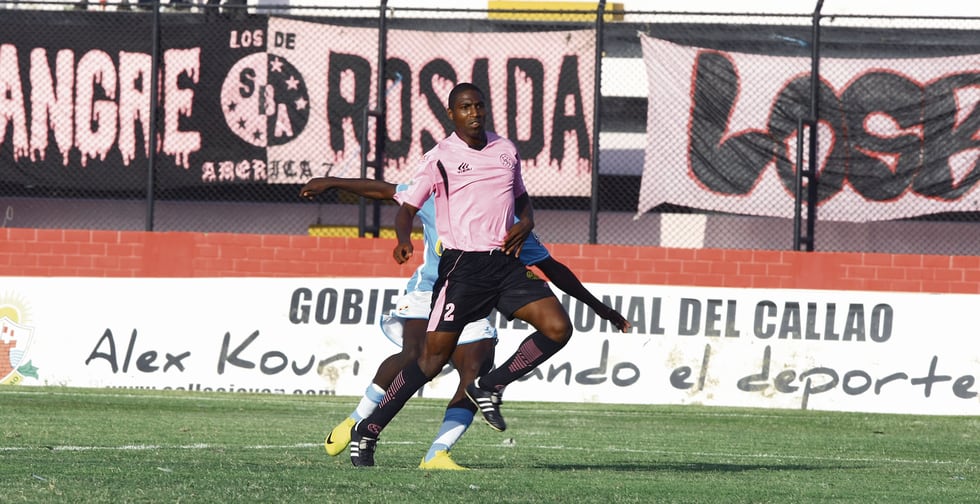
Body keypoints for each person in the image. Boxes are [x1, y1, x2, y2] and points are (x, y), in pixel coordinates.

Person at [347, 82, 615, 467]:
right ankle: (367, 430)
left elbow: (521, 197)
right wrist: (402, 239)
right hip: (463, 268)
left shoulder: (506, 150)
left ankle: (490, 384)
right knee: (429, 362)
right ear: (452, 114)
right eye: (466, 107)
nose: (475, 113)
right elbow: (407, 206)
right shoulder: (439, 157)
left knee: (558, 329)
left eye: (479, 106)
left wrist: (528, 220)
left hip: (505, 264)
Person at [299, 175, 630, 470]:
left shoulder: (510, 225)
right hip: (427, 290)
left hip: (472, 295)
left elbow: (553, 268)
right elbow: (386, 190)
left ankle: (437, 454)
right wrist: (331, 182)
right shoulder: (439, 200)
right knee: (420, 356)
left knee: (477, 365)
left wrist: (601, 309)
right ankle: (361, 422)